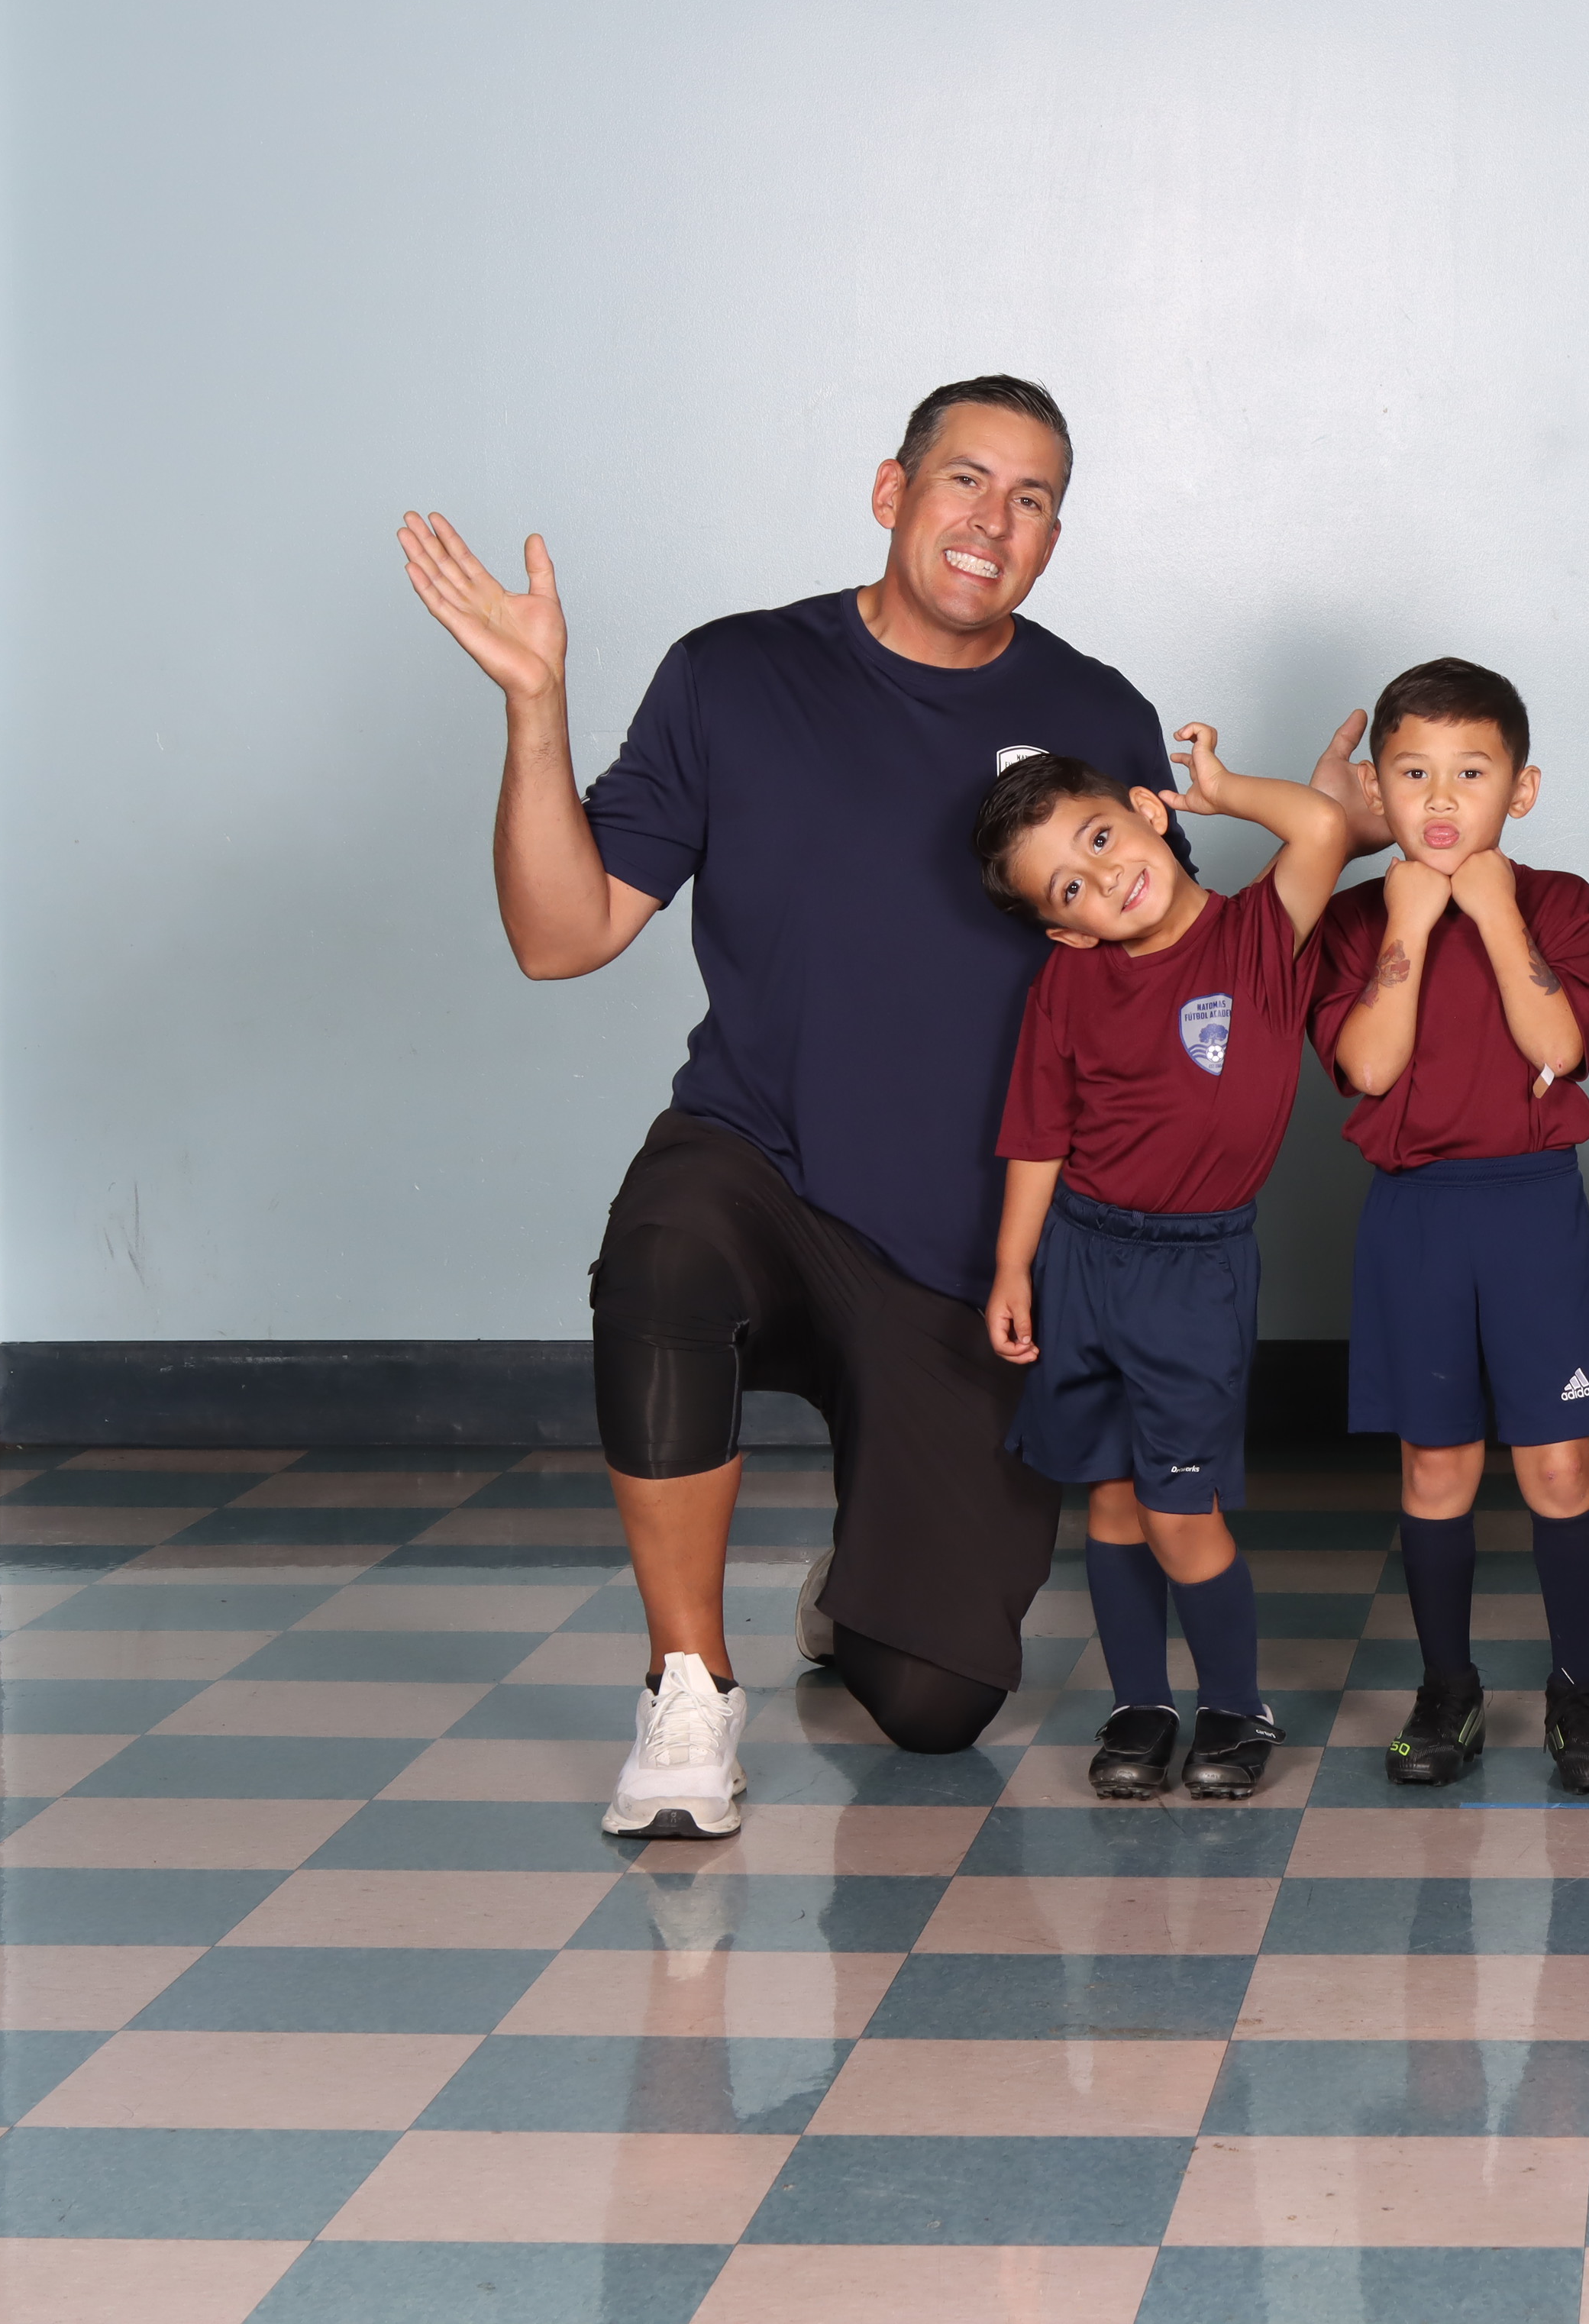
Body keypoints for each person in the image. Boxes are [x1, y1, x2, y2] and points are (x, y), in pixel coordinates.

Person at [393, 375, 1377, 1838]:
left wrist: (1342, 843)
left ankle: (862, 1580)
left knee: (933, 1702)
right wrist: (536, 707)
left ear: (1053, 540)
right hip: (767, 1169)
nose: (994, 520)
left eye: (1033, 499)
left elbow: (1174, 963)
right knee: (664, 1257)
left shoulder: (1095, 712)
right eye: (966, 479)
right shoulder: (734, 675)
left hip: (973, 1251)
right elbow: (561, 934)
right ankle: (686, 1685)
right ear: (890, 492)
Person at [977, 726, 1352, 1799]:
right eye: (1071, 888)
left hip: (1194, 1271)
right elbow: (1040, 1132)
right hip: (1083, 1256)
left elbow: (1322, 826)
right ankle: (1140, 1705)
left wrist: (1225, 791)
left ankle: (1235, 1704)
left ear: (1149, 810)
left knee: (1180, 1510)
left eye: (1101, 838)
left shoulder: (1256, 937)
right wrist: (1014, 1267)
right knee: (1109, 1502)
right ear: (1066, 930)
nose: (1105, 879)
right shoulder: (1068, 985)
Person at [1313, 660, 1589, 1795]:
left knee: (1559, 1462)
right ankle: (1446, 1685)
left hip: (1533, 1208)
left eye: (1471, 773)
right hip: (1417, 1218)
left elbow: (1556, 1046)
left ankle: (1578, 1689)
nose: (1441, 799)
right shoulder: (1355, 919)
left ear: (1521, 789)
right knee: (1436, 1462)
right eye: (1413, 774)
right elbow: (1368, 1066)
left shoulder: (1563, 904)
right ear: (1377, 791)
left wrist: (1493, 910)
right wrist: (1410, 918)